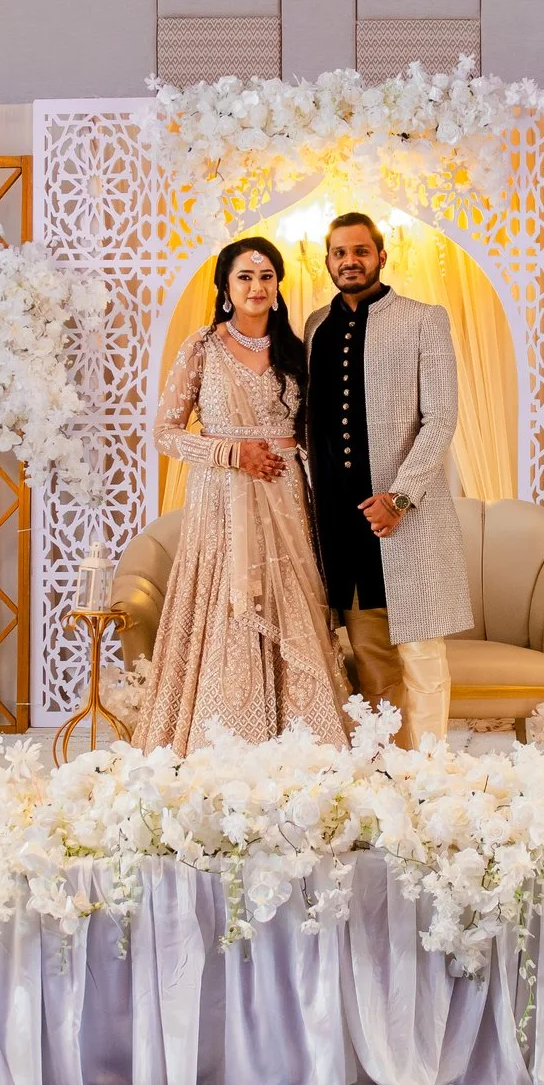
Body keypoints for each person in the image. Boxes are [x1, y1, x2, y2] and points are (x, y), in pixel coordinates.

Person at [133, 236, 351, 751]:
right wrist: (232, 454)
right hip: (222, 501)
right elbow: (165, 432)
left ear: (278, 287)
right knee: (226, 608)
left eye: (267, 277)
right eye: (245, 277)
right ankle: (226, 740)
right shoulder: (202, 348)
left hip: (286, 497)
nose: (257, 286)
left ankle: (301, 742)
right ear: (226, 289)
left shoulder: (299, 350)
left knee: (293, 605)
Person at [304, 213, 474, 749]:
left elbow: (442, 417)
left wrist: (399, 498)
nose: (349, 261)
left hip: (406, 521)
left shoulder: (424, 319)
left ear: (382, 255)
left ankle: (428, 776)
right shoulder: (314, 327)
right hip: (340, 522)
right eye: (338, 253)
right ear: (326, 261)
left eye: (360, 251)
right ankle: (386, 771)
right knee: (370, 654)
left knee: (422, 655)